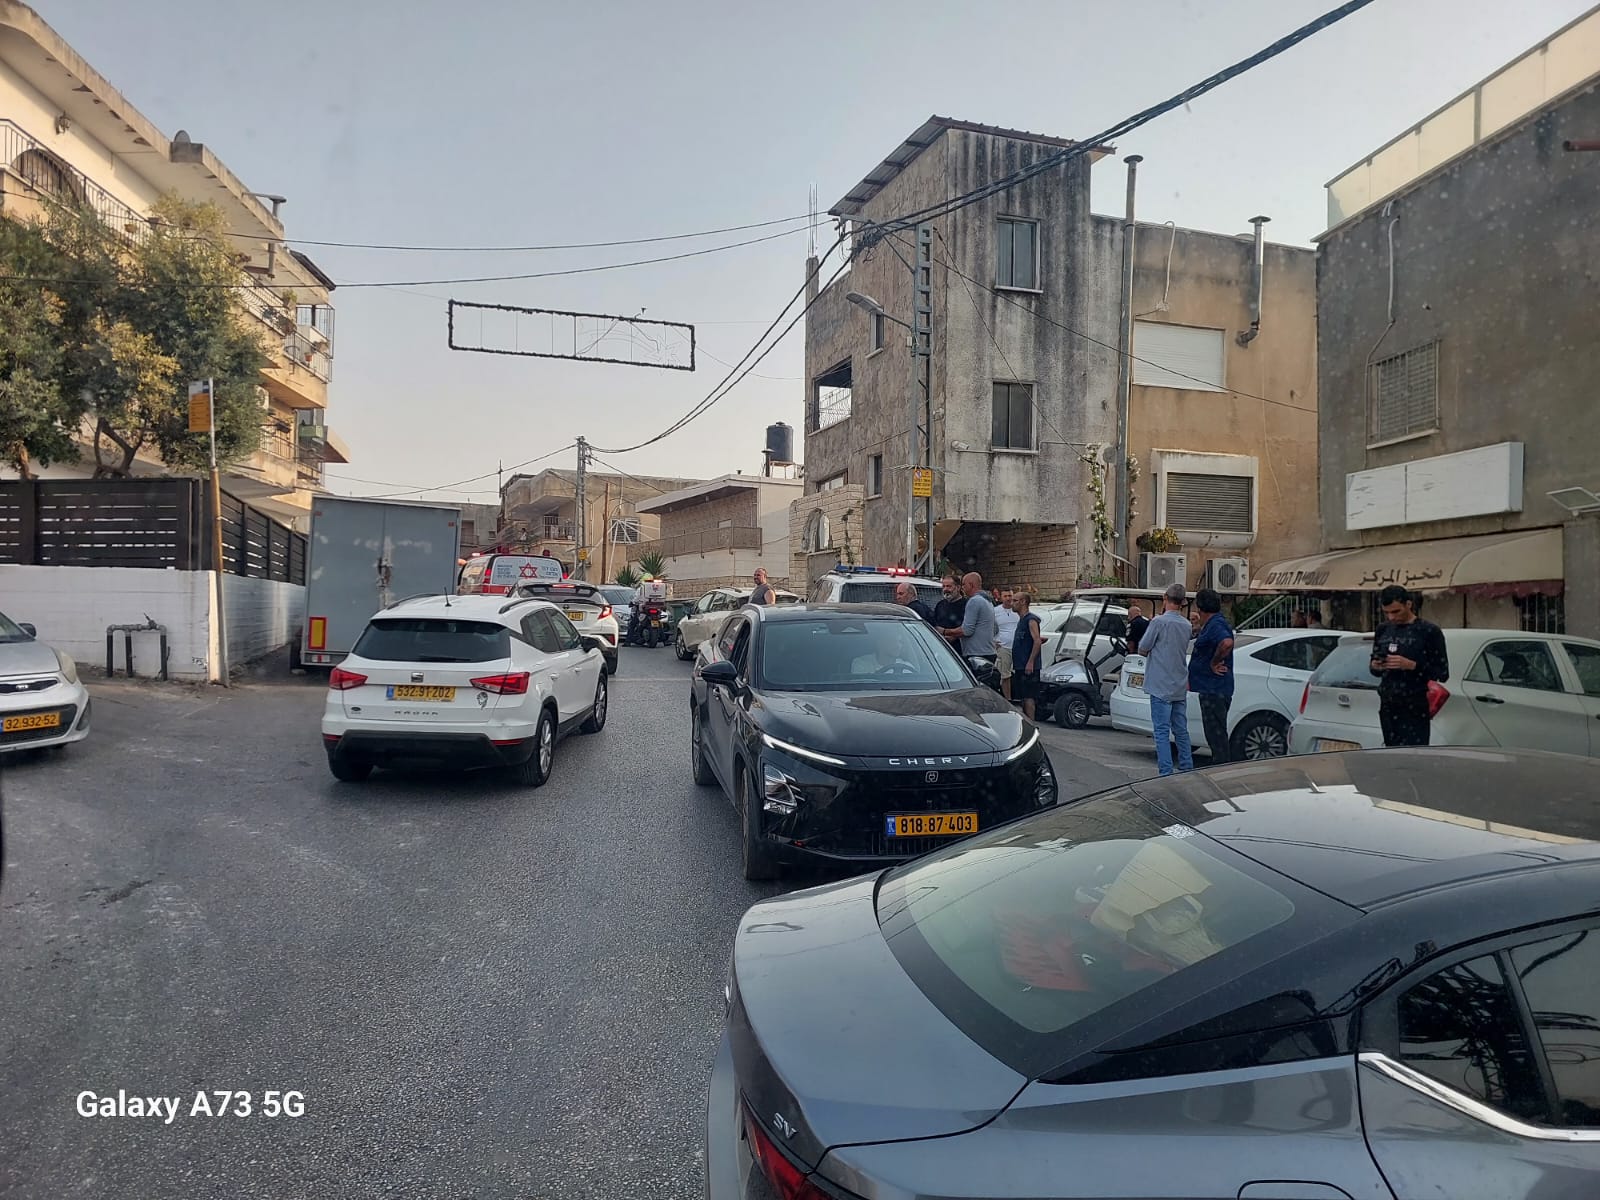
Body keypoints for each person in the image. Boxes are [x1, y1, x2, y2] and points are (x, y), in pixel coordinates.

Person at [1370, 584, 1449, 747]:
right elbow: (1374, 667)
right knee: (1391, 753)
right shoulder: (1383, 629)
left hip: (1414, 704)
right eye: (1386, 613)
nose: (1391, 617)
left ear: (1408, 604)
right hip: (1388, 703)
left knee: (1414, 754)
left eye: (1396, 611)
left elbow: (1442, 673)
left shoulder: (1428, 631)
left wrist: (1412, 666)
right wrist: (1376, 666)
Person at [1141, 583, 1195, 776]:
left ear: (1165, 598)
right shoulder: (1187, 625)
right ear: (1183, 602)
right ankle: (1187, 766)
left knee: (1161, 731)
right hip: (1178, 683)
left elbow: (1143, 647)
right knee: (1181, 729)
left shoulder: (1159, 622)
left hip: (1160, 683)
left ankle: (1165, 771)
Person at [1189, 588, 1235, 764]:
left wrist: (1214, 662)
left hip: (1214, 689)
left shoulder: (1216, 624)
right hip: (1209, 688)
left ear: (1200, 607)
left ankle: (1221, 768)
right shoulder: (1211, 624)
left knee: (1216, 735)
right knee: (1213, 733)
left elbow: (1227, 643)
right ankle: (1219, 765)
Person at [943, 572, 997, 665]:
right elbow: (995, 628)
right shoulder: (988, 601)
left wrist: (944, 631)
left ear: (971, 585)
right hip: (989, 652)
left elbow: (966, 631)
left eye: (964, 584)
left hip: (976, 654)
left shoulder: (974, 601)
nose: (962, 587)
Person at [1011, 592, 1044, 719]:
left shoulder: (1031, 620)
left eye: (1015, 601)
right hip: (1020, 665)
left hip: (1028, 666)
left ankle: (1031, 723)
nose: (1012, 603)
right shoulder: (1021, 620)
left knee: (1029, 697)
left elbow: (1037, 641)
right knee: (1023, 697)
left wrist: (1031, 662)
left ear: (1023, 602)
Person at [993, 588, 1020, 702]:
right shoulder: (995, 611)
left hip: (1018, 647)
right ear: (1000, 597)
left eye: (1010, 596)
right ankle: (1008, 699)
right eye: (1005, 596)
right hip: (1003, 647)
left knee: (1019, 673)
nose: (1008, 598)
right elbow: (988, 627)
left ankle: (1019, 697)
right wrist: (993, 641)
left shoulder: (1018, 610)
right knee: (1005, 674)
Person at [932, 572, 967, 646]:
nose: (945, 589)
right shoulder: (940, 605)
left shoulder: (967, 605)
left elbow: (967, 628)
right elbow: (935, 624)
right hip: (940, 645)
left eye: (949, 586)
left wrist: (954, 636)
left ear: (958, 588)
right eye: (943, 586)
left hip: (960, 648)